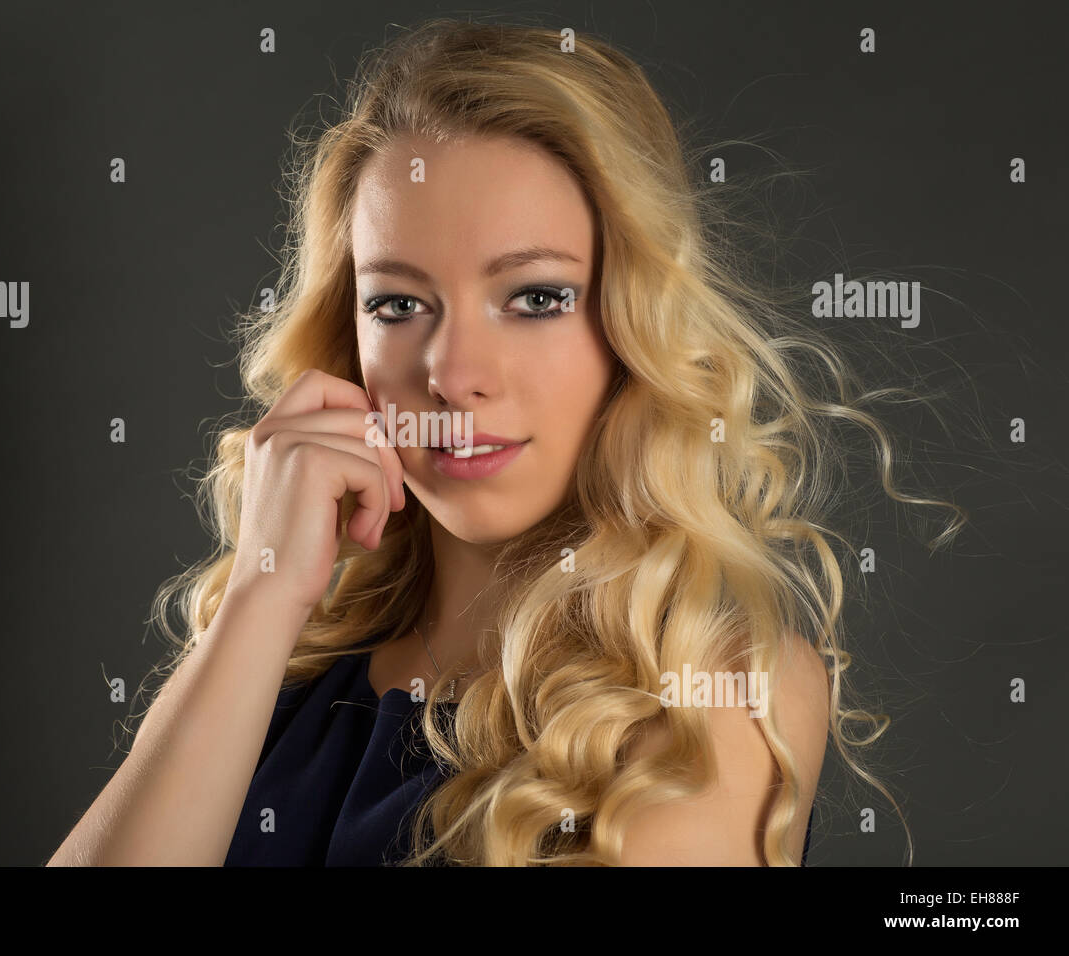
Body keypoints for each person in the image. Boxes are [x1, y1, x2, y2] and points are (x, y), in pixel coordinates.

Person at [48, 17, 965, 867]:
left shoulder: (719, 691)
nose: (451, 373)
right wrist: (261, 591)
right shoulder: (278, 665)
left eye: (535, 298)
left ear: (628, 328)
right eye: (398, 304)